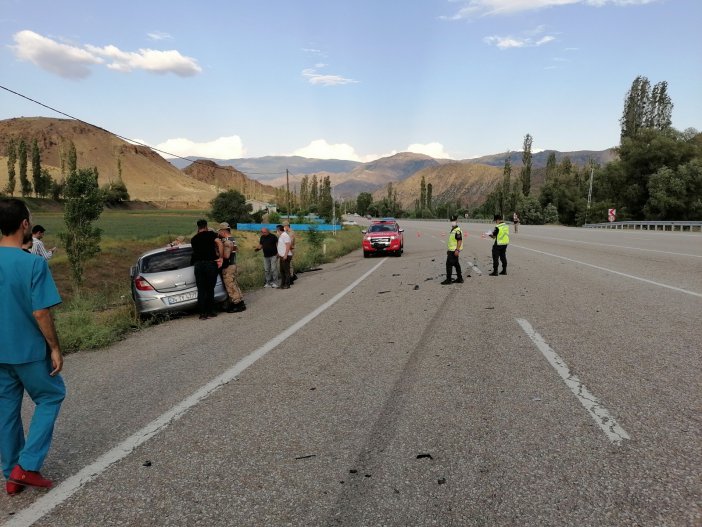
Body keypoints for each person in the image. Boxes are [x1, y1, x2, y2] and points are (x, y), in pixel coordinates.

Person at [0, 198, 66, 496]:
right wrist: (54, 347)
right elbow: (41, 312)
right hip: (26, 350)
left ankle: (11, 473)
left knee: (6, 411)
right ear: (24, 224)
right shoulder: (33, 263)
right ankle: (26, 466)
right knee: (51, 395)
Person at [190, 219, 223, 320]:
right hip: (210, 264)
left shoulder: (193, 239)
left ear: (198, 227)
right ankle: (211, 311)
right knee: (210, 289)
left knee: (201, 289)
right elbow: (220, 244)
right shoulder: (211, 234)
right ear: (206, 226)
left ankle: (202, 314)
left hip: (198, 265)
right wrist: (220, 257)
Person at [217, 223, 246, 313]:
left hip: (228, 266)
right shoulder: (233, 239)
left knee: (230, 285)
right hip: (233, 264)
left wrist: (218, 254)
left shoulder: (227, 241)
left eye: (220, 231)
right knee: (234, 284)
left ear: (224, 231)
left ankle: (236, 304)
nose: (219, 233)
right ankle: (240, 302)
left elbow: (226, 255)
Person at [441, 215, 464, 285]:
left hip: (454, 251)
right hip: (452, 250)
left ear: (457, 221)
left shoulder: (457, 231)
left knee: (448, 264)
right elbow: (452, 241)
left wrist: (457, 250)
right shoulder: (454, 229)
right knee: (456, 264)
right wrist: (449, 249)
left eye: (454, 221)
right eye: (451, 221)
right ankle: (460, 278)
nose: (452, 222)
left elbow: (459, 240)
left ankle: (448, 280)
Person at [276, 224, 292, 289]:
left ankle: (287, 285)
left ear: (279, 230)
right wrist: (279, 253)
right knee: (282, 271)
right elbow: (282, 246)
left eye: (276, 229)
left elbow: (288, 245)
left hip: (286, 256)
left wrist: (285, 255)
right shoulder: (282, 236)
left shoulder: (285, 235)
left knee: (286, 271)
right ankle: (282, 284)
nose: (276, 231)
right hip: (282, 256)